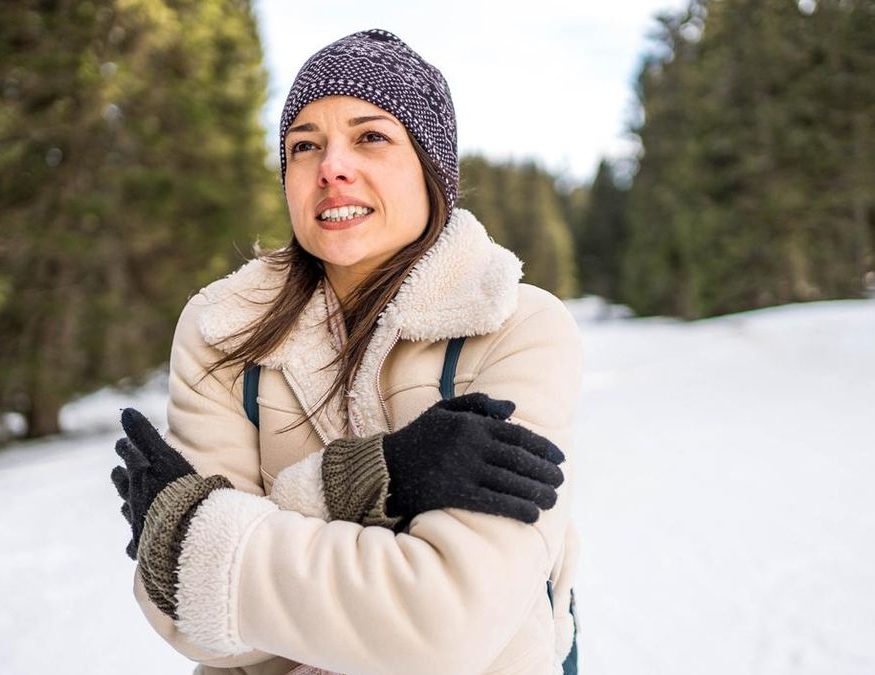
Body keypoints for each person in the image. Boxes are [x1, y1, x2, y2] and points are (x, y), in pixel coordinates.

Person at [110, 29, 582, 675]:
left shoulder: (518, 325)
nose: (331, 166)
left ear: (431, 168)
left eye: (371, 137)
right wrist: (376, 476)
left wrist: (199, 535)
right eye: (304, 146)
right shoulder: (222, 329)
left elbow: (442, 625)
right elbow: (188, 621)